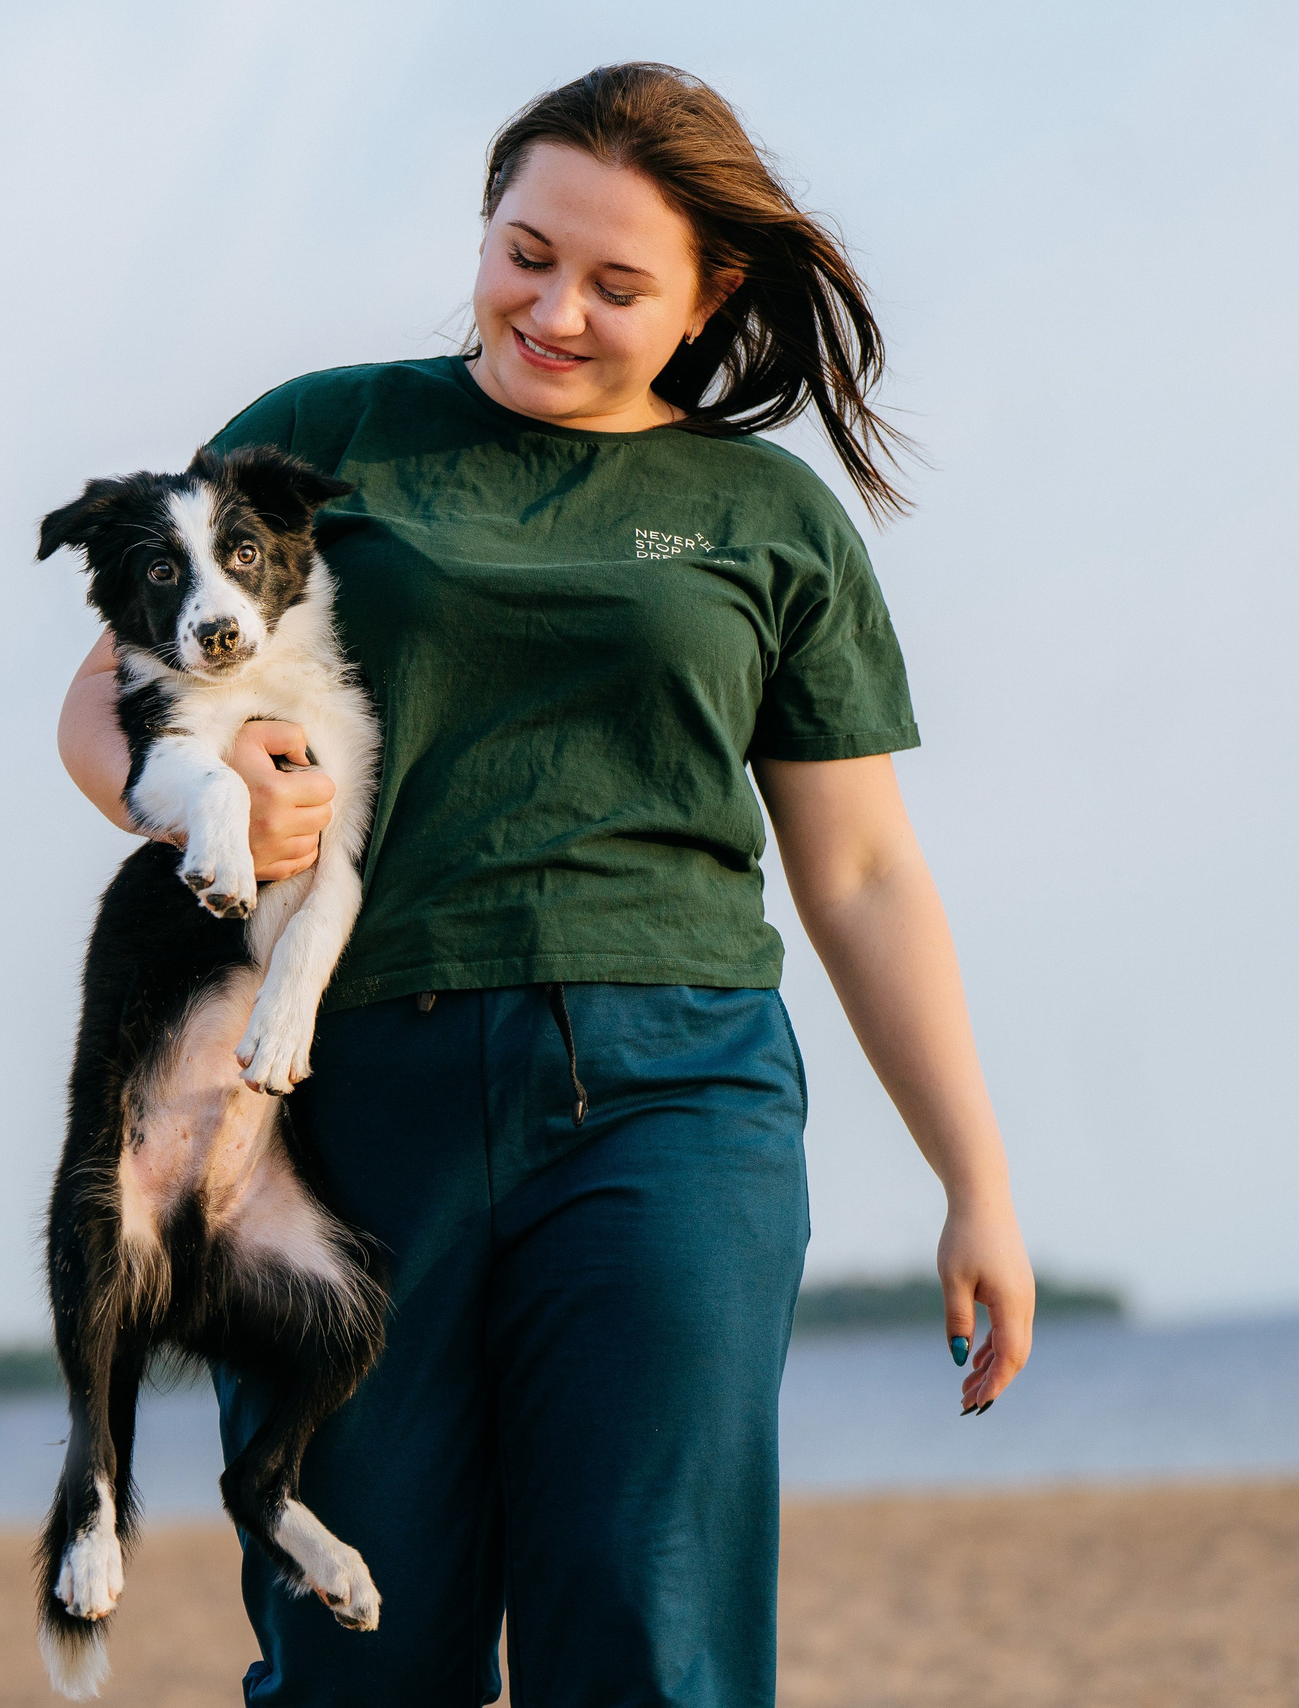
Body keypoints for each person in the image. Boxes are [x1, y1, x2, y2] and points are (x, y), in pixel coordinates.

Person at [55, 62, 1033, 1708]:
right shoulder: (330, 431)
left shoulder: (763, 514)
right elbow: (106, 700)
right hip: (344, 1089)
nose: (551, 309)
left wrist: (977, 1182)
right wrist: (198, 808)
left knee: (650, 1639)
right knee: (368, 1659)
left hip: (675, 1092)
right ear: (489, 223)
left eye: (615, 283)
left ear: (711, 294)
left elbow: (859, 869)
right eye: (525, 252)